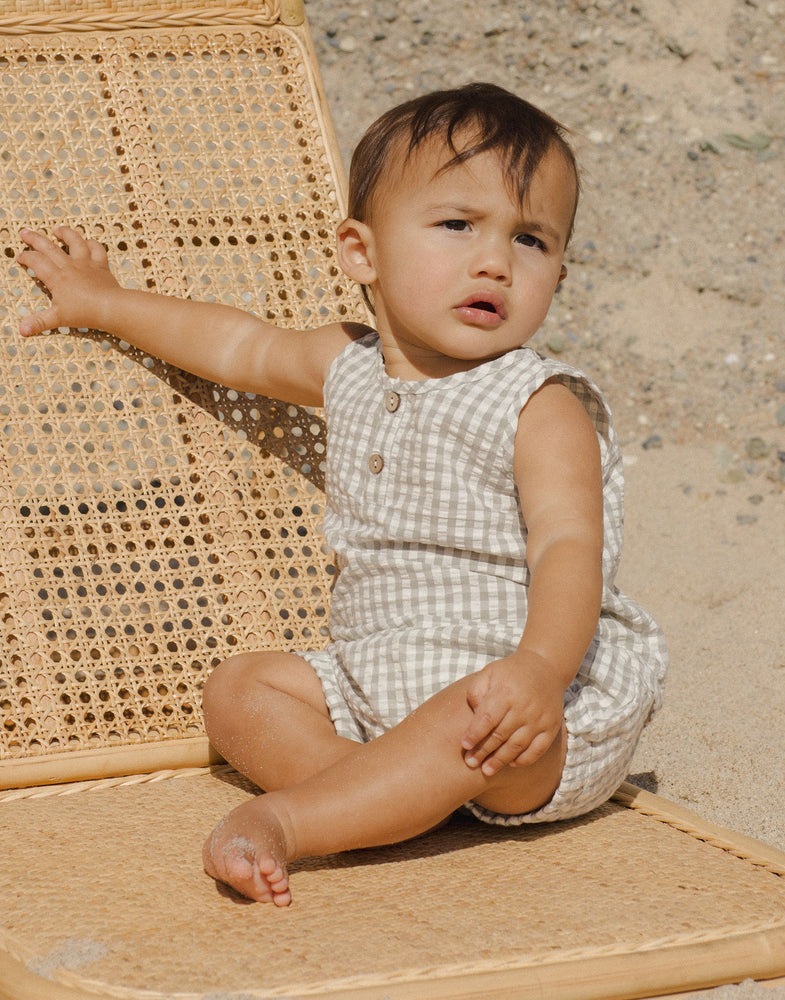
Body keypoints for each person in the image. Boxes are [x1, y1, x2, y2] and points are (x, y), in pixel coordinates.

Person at [17, 83, 667, 907]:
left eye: (531, 240)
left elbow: (569, 546)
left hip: (517, 712)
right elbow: (237, 344)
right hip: (378, 679)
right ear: (362, 253)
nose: (495, 261)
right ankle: (383, 798)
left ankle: (292, 822)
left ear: (559, 274)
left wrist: (538, 672)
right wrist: (107, 303)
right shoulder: (347, 365)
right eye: (458, 225)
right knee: (237, 691)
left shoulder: (539, 404)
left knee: (463, 725)